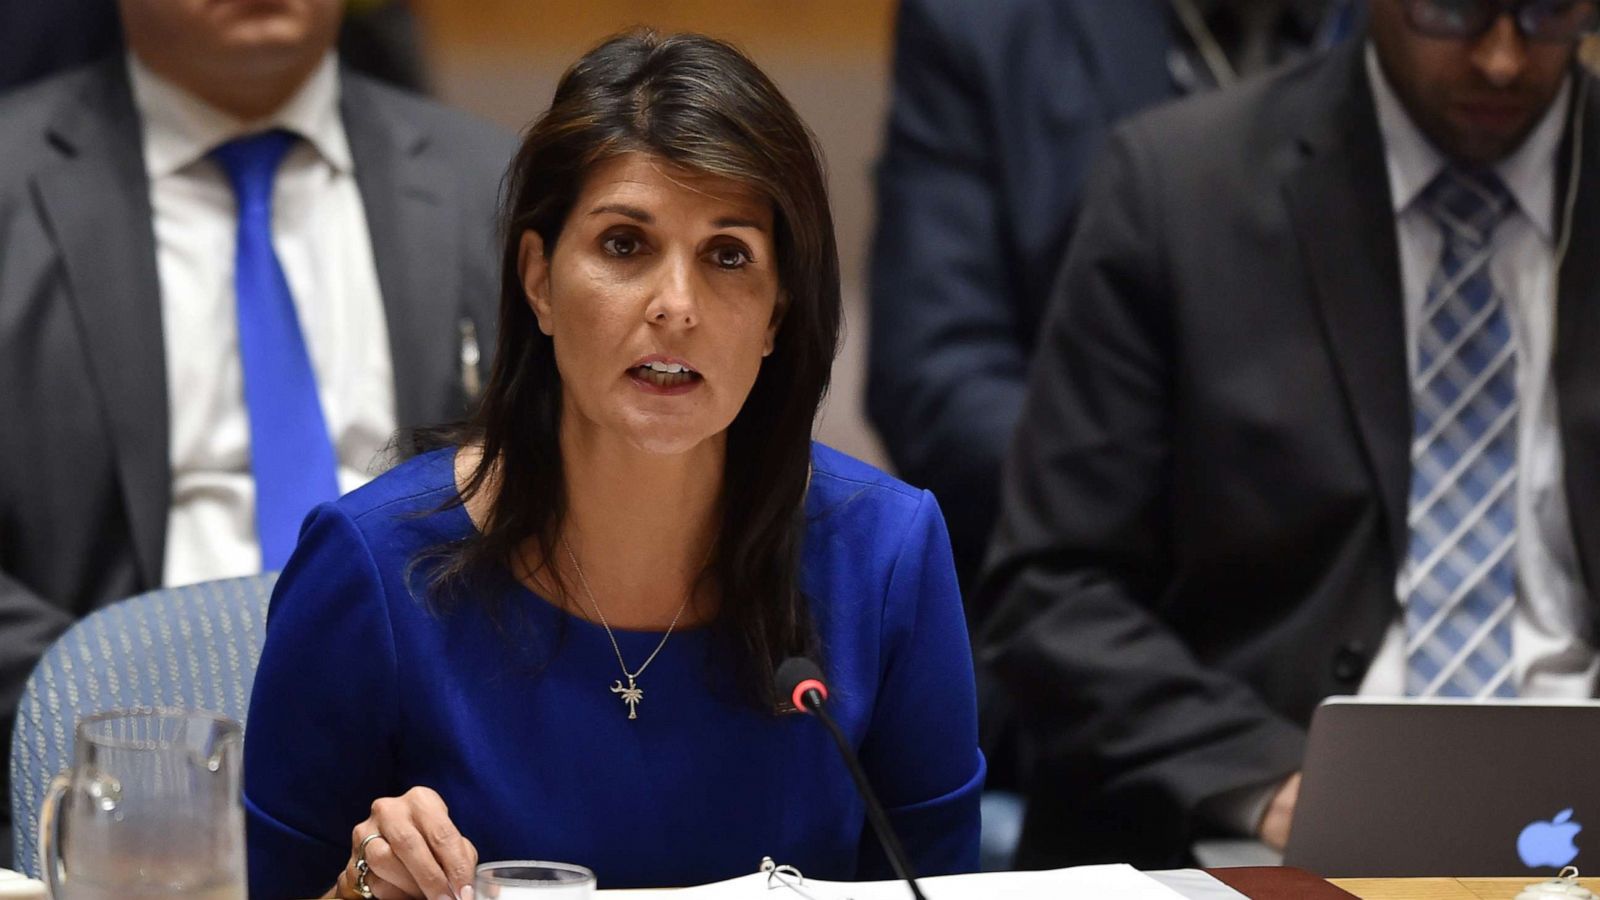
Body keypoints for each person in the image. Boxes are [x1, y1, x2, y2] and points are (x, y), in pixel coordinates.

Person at [243, 30, 985, 900]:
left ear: (778, 314)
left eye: (728, 255)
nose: (676, 306)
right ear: (540, 281)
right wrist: (362, 886)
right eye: (626, 246)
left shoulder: (886, 558)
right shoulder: (372, 567)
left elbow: (941, 888)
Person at [978, 0, 1600, 870]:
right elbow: (1052, 594)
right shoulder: (1179, 187)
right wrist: (1271, 785)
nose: (1502, 59)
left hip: (1579, 821)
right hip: (1262, 828)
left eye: (1551, 13)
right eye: (1455, 11)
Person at [0, 0, 509, 862]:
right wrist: (115, 703)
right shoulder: (12, 185)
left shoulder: (495, 186)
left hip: (442, 798)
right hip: (108, 799)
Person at [867, 0, 1358, 594]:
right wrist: (1194, 506)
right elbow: (936, 380)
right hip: (1095, 586)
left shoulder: (1439, 35)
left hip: (1379, 577)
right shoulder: (980, 21)